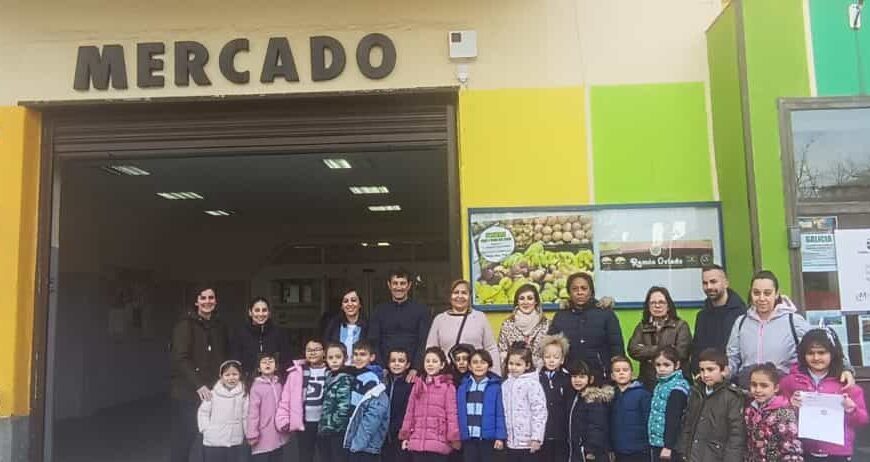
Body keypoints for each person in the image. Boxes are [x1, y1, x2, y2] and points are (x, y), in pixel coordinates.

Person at [726, 270, 855, 389]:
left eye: (767, 293)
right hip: (749, 390)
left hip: (783, 391)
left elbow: (825, 343)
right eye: (756, 293)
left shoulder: (792, 320)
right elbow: (732, 358)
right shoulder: (741, 322)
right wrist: (722, 373)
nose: (761, 298)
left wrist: (846, 368)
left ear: (777, 294)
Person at [780, 329, 868, 462]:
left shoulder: (845, 383)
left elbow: (862, 420)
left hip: (838, 453)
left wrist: (852, 410)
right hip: (802, 450)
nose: (816, 358)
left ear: (832, 354)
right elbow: (777, 414)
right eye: (810, 353)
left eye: (821, 352)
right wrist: (790, 406)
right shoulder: (790, 381)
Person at [171, 286, 230, 462]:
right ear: (196, 301)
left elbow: (224, 356)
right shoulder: (185, 324)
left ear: (216, 301)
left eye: (211, 297)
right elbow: (180, 358)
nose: (207, 301)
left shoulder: (220, 326)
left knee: (212, 440)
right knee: (185, 439)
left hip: (214, 392)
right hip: (188, 393)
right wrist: (198, 384)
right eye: (203, 298)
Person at [547, 272, 624, 384]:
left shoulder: (606, 314)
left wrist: (615, 371)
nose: (580, 292)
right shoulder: (560, 316)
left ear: (591, 291)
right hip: (569, 377)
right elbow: (552, 347)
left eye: (584, 288)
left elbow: (616, 346)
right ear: (569, 292)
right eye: (575, 289)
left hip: (601, 376)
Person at [677, 348, 744, 462]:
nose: (705, 374)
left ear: (724, 371)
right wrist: (683, 450)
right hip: (693, 455)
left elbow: (736, 434)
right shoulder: (696, 392)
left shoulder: (732, 397)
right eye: (702, 370)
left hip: (716, 456)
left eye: (710, 369)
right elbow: (688, 423)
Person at [399, 346, 462, 462]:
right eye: (427, 361)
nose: (430, 364)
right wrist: (406, 435)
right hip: (417, 442)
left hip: (438, 442)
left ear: (442, 365)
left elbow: (452, 414)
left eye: (434, 361)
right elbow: (409, 413)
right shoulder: (417, 385)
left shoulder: (448, 387)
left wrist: (454, 437)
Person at [427, 280, 502, 376]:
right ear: (450, 296)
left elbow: (491, 348)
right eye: (456, 292)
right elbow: (431, 349)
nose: (459, 296)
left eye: (464, 293)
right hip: (447, 376)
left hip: (475, 375)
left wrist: (495, 375)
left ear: (470, 297)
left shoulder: (480, 317)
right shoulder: (440, 319)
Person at [368, 268, 432, 380]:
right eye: (395, 283)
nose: (398, 287)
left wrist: (416, 368)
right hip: (385, 373)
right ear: (389, 285)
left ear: (409, 285)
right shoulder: (379, 311)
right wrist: (381, 367)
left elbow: (424, 341)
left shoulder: (421, 310)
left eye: (402, 283)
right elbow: (374, 341)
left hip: (412, 373)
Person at [628, 286, 692, 390]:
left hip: (675, 384)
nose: (657, 306)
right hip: (648, 382)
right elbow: (633, 349)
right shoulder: (642, 327)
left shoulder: (681, 326)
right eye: (653, 303)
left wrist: (647, 353)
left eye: (661, 302)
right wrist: (660, 349)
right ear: (648, 306)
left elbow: (681, 353)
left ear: (668, 306)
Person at [690, 265, 747, 375]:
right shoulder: (702, 316)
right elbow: (697, 350)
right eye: (705, 283)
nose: (709, 287)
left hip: (733, 380)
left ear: (726, 283)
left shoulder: (741, 314)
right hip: (705, 380)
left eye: (713, 282)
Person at [276, 339, 326, 460]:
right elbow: (286, 398)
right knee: (305, 455)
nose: (312, 353)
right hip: (304, 423)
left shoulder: (331, 371)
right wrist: (283, 419)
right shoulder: (296, 373)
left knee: (327, 456)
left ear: (324, 352)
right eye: (309, 350)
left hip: (325, 423)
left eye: (316, 350)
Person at [743, 363, 802, 462]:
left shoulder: (784, 413)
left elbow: (791, 448)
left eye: (764, 386)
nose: (758, 390)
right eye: (754, 385)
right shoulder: (749, 410)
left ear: (776, 388)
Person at [457, 349, 506, 462]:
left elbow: (500, 414)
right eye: (475, 362)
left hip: (488, 439)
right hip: (468, 438)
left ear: (489, 366)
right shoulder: (463, 387)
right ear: (469, 366)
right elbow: (458, 413)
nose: (479, 365)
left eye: (483, 362)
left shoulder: (495, 387)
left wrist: (500, 437)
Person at [343, 343, 391, 462]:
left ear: (372, 357)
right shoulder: (357, 376)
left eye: (363, 355)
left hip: (365, 445)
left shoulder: (372, 379)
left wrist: (358, 443)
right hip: (355, 440)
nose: (358, 358)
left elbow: (373, 416)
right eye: (355, 354)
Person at [501, 343, 547, 462]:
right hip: (511, 442)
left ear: (527, 365)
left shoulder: (532, 384)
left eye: (518, 364)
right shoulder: (505, 385)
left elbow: (539, 411)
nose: (513, 367)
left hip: (528, 443)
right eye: (511, 364)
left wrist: (536, 438)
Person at [198, 360, 248, 462]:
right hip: (213, 440)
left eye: (235, 374)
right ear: (221, 376)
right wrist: (206, 429)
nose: (231, 378)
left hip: (234, 440)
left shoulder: (244, 395)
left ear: (240, 375)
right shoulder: (212, 394)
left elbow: (246, 415)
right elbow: (203, 412)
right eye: (227, 375)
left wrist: (248, 433)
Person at [647, 346, 690, 462]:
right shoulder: (660, 385)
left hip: (669, 446)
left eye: (666, 365)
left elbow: (674, 418)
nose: (661, 369)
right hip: (657, 441)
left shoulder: (677, 387)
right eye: (658, 365)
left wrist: (668, 446)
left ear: (676, 365)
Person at [230, 297, 291, 376]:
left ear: (269, 313)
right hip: (247, 383)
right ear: (250, 312)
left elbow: (286, 360)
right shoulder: (240, 334)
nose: (261, 314)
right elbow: (235, 361)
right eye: (257, 310)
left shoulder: (279, 333)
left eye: (264, 310)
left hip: (273, 383)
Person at [566, 359, 612, 462]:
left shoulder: (593, 400)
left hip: (590, 454)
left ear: (590, 379)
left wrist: (590, 450)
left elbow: (597, 427)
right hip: (577, 451)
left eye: (582, 377)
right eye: (574, 377)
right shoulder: (576, 397)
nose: (577, 380)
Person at [246, 353, 289, 461]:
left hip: (278, 431)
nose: (267, 364)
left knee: (277, 456)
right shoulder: (256, 387)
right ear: (259, 368)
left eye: (270, 361)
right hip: (263, 432)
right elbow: (253, 413)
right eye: (264, 362)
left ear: (276, 366)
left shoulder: (279, 384)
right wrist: (252, 433)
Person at [497, 284, 551, 369]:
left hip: (540, 374)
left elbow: (550, 353)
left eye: (530, 298)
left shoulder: (546, 324)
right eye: (522, 298)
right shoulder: (507, 324)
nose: (525, 302)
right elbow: (502, 351)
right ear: (517, 302)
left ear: (536, 301)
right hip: (514, 373)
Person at [609, 356, 651, 462]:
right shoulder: (610, 396)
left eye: (625, 370)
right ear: (612, 376)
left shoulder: (643, 394)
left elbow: (649, 421)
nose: (621, 373)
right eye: (617, 371)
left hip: (640, 450)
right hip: (618, 450)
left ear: (632, 373)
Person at [318, 343, 354, 462]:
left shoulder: (345, 378)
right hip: (325, 428)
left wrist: (331, 425)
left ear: (345, 358)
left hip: (337, 431)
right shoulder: (328, 375)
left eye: (338, 357)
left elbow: (344, 408)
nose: (334, 361)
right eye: (331, 358)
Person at [538, 334, 571, 462]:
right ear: (542, 358)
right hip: (542, 433)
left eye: (556, 357)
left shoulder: (567, 379)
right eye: (547, 357)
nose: (551, 360)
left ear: (562, 360)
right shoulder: (536, 378)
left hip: (561, 432)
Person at [384, 348, 414, 462]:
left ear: (408, 365)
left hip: (401, 435)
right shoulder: (383, 382)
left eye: (401, 361)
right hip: (383, 435)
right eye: (393, 360)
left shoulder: (410, 384)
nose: (396, 363)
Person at [323, 289, 368, 365]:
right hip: (338, 369)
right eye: (346, 301)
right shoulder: (333, 326)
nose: (349, 304)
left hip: (360, 370)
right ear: (342, 306)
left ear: (360, 304)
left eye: (353, 300)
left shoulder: (368, 326)